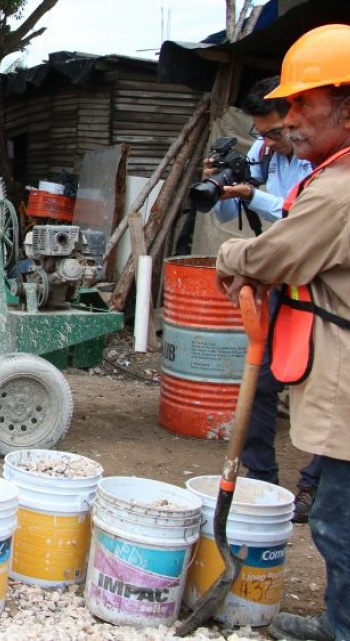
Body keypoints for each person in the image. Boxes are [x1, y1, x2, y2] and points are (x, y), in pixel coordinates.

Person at [214, 24, 350, 641]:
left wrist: (232, 258)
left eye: (303, 103)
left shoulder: (339, 190)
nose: (290, 118)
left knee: (339, 523)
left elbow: (276, 255)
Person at [205, 76, 320, 523]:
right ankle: (262, 476)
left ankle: (313, 485)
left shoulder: (323, 157)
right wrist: (218, 186)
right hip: (280, 276)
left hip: (321, 275)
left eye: (274, 132)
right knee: (261, 376)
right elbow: (229, 212)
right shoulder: (262, 152)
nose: (267, 142)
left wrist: (255, 197)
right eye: (262, 133)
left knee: (324, 383)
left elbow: (301, 217)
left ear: (296, 118)